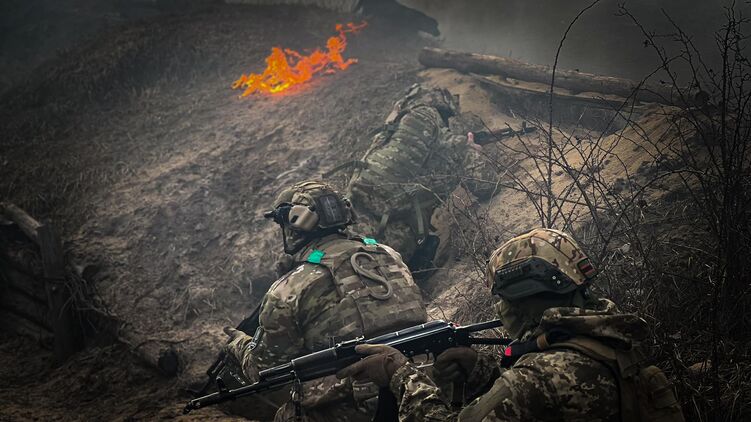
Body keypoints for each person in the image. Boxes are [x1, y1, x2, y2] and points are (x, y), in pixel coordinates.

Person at [336, 228, 685, 421]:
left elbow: (531, 390)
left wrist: (400, 375)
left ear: (521, 295)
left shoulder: (538, 375)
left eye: (501, 297)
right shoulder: (613, 335)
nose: (500, 308)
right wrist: (482, 371)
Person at [222, 180, 428, 422]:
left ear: (296, 223)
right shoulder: (389, 255)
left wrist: (239, 343)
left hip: (359, 408)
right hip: (419, 389)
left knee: (287, 415)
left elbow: (263, 370)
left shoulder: (291, 287)